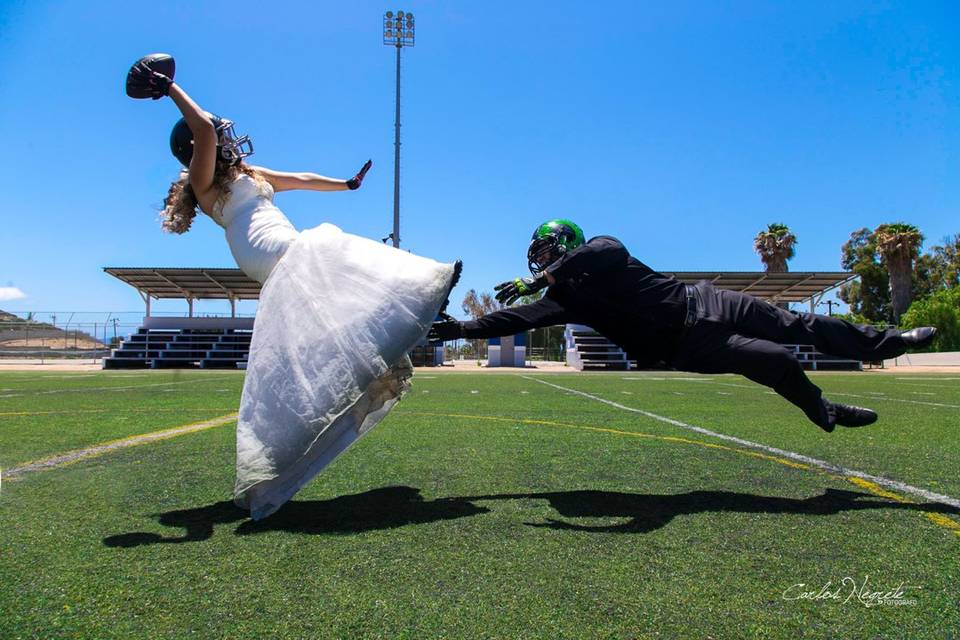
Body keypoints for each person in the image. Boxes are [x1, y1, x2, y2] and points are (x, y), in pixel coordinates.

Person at [128, 54, 461, 519]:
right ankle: (426, 286)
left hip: (284, 252)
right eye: (221, 135)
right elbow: (202, 128)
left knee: (330, 271)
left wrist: (346, 184)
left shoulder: (252, 176)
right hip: (270, 253)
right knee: (328, 245)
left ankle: (412, 311)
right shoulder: (206, 186)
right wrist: (171, 92)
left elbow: (301, 179)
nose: (226, 138)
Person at [430, 219, 936, 431]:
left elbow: (607, 248)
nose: (542, 263)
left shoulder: (603, 255)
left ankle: (890, 343)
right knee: (777, 360)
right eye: (537, 258)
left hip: (709, 301)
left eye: (546, 253)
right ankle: (822, 411)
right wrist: (459, 331)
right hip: (688, 345)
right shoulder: (564, 300)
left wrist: (541, 274)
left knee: (798, 324)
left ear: (565, 245)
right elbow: (513, 317)